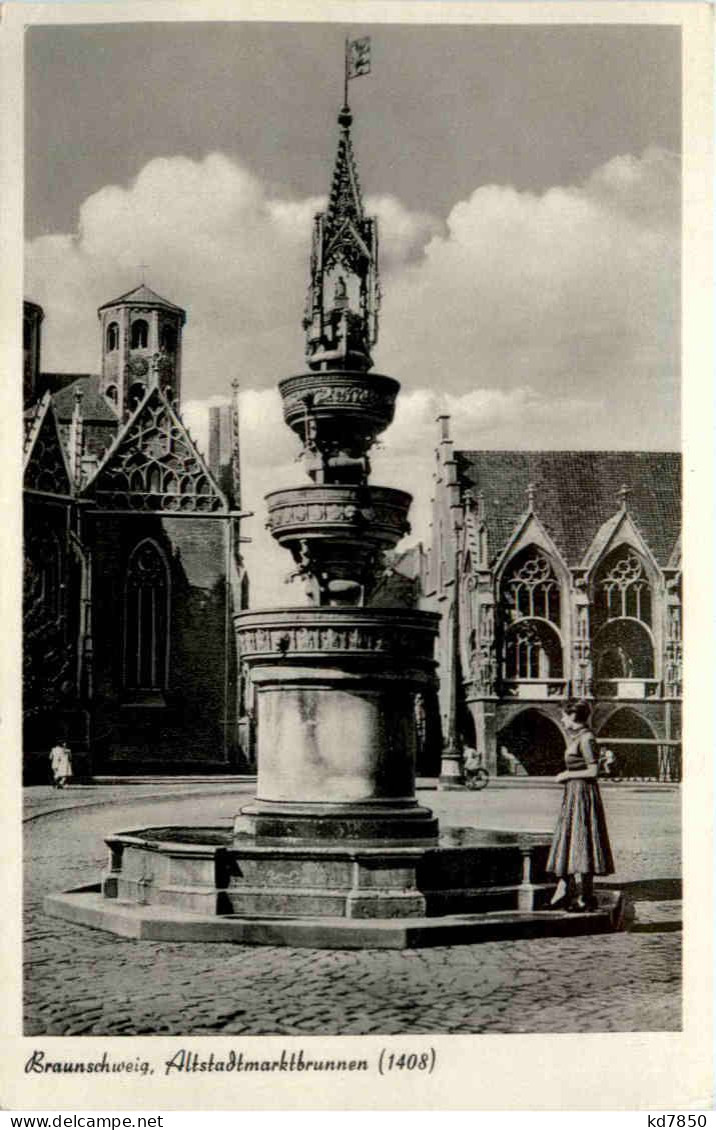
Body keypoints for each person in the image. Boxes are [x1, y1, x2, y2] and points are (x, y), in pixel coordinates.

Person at [547, 700, 614, 911]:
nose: (562, 719)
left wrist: (567, 774)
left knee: (583, 839)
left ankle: (585, 896)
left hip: (583, 793)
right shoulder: (578, 737)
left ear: (574, 716)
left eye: (565, 716)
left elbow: (593, 771)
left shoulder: (586, 739)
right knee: (574, 838)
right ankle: (570, 891)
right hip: (575, 792)